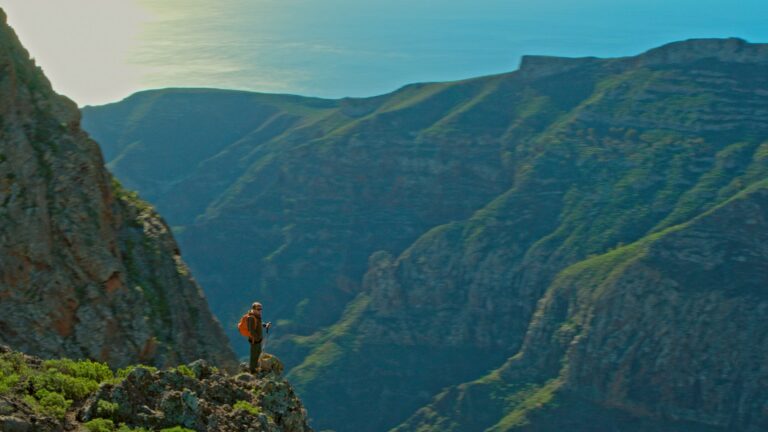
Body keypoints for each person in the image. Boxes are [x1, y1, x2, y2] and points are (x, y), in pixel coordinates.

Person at [247, 302, 271, 373]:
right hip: (254, 341)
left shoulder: (257, 316)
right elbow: (251, 330)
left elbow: (259, 324)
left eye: (261, 309)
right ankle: (252, 372)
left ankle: (256, 369)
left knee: (258, 355)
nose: (260, 310)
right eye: (258, 309)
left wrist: (265, 325)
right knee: (254, 356)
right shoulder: (251, 318)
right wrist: (257, 338)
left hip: (258, 340)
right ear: (253, 309)